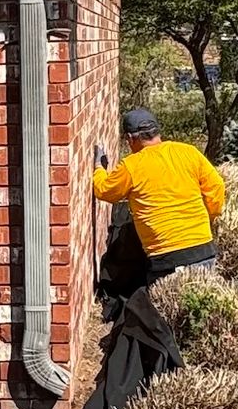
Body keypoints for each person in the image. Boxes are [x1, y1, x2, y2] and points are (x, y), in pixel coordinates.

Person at [92, 107, 226, 282]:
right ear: (157, 131)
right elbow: (217, 186)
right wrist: (209, 217)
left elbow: (104, 191)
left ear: (130, 139)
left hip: (167, 259)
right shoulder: (189, 152)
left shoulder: (131, 165)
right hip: (203, 250)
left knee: (164, 307)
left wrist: (98, 168)